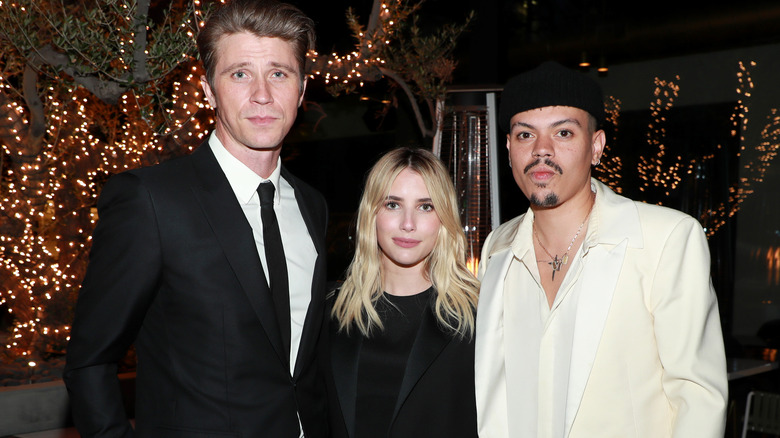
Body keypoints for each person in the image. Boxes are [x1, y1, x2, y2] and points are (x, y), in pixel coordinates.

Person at [63, 0, 328, 436]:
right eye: (240, 73)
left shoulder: (311, 204)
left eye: (279, 74)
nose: (262, 94)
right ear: (208, 90)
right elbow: (90, 363)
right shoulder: (150, 202)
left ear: (300, 91)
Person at [475, 61, 728, 437]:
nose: (541, 150)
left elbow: (698, 397)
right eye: (525, 135)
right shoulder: (498, 247)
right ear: (509, 147)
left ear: (596, 147)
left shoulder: (666, 238)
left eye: (563, 132)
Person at [322, 147, 480, 438]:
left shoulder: (478, 319)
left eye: (425, 207)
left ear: (443, 218)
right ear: (372, 214)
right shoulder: (328, 312)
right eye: (393, 205)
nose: (408, 224)